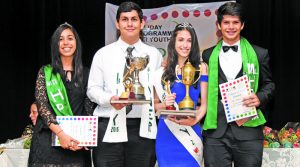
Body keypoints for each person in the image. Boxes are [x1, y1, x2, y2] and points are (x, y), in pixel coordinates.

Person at [87, 2, 162, 167]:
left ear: (142, 23)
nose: (129, 24)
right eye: (125, 19)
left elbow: (158, 92)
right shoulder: (103, 54)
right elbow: (92, 89)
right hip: (107, 124)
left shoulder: (154, 54)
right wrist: (110, 99)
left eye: (134, 19)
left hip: (142, 127)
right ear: (117, 23)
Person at [202, 2, 275, 167]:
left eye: (235, 22)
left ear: (242, 25)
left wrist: (260, 97)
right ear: (219, 25)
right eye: (226, 22)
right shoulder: (207, 55)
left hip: (248, 132)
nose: (230, 27)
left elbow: (269, 84)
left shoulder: (259, 54)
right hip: (215, 132)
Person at [28, 22, 94, 166]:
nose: (66, 43)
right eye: (60, 39)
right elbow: (43, 107)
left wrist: (85, 139)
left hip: (75, 143)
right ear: (55, 44)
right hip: (47, 142)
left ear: (76, 42)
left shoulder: (87, 74)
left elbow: (88, 110)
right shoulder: (45, 72)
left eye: (70, 38)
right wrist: (60, 134)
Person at [153, 22, 208, 167]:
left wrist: (195, 120)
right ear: (173, 42)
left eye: (189, 40)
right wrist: (166, 104)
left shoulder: (201, 68)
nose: (185, 45)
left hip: (191, 132)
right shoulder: (162, 72)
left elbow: (204, 105)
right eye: (181, 40)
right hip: (167, 134)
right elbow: (154, 105)